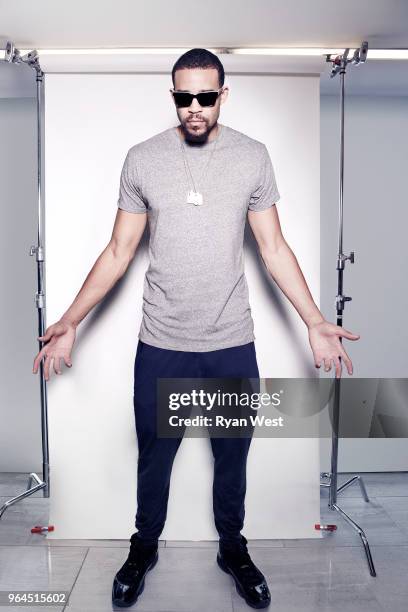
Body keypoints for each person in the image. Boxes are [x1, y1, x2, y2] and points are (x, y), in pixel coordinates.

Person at [32, 48, 360, 609]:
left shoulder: (252, 157)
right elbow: (118, 250)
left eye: (206, 96)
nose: (194, 108)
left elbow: (274, 247)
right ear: (174, 95)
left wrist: (314, 320)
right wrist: (68, 319)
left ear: (223, 95)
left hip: (231, 343)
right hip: (162, 345)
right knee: (154, 457)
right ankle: (143, 548)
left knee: (233, 455)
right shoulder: (142, 159)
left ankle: (233, 547)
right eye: (184, 97)